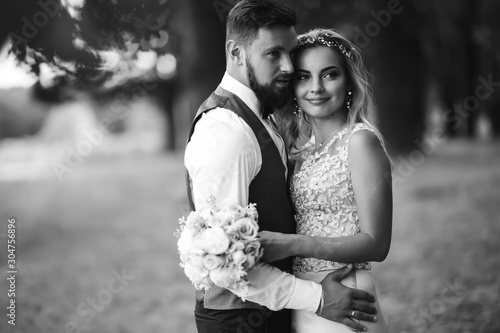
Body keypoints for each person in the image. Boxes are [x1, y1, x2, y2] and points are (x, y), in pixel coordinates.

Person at [184, 1, 378, 332]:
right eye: (273, 54)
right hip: (240, 321)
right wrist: (316, 298)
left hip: (279, 311)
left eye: (290, 53)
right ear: (237, 53)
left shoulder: (266, 117)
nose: (288, 67)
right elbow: (227, 263)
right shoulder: (225, 132)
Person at [260, 28, 393, 332]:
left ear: (348, 82)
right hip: (307, 296)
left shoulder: (360, 142)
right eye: (304, 76)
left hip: (347, 291)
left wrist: (294, 245)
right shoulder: (300, 152)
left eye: (329, 75)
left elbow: (377, 244)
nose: (316, 88)